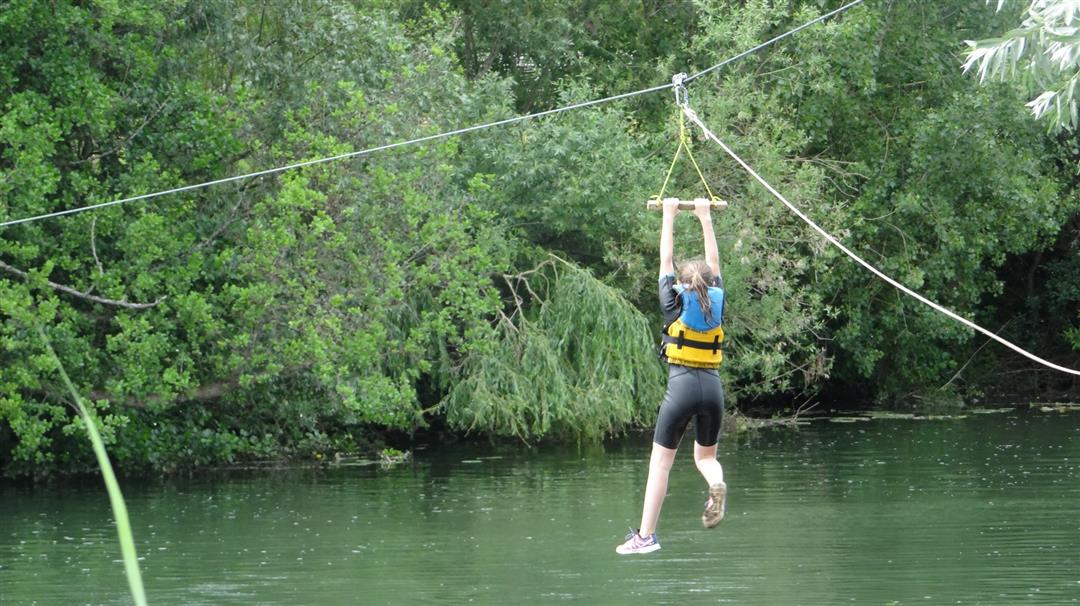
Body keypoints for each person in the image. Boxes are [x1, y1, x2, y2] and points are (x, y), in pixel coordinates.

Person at [616, 198, 728, 555]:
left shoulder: (672, 301)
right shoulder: (718, 300)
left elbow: (665, 260)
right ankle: (718, 483)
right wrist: (704, 217)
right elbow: (714, 262)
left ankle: (646, 536)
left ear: (681, 283)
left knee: (660, 464)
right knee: (706, 459)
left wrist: (668, 214)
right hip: (712, 389)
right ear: (710, 284)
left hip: (681, 387)